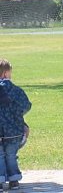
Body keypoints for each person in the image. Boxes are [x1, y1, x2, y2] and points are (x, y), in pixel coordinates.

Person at [0, 59, 31, 190]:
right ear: (6, 73)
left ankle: (0, 180)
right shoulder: (16, 91)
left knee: (0, 156)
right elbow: (26, 105)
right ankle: (14, 180)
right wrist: (17, 114)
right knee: (11, 155)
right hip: (14, 130)